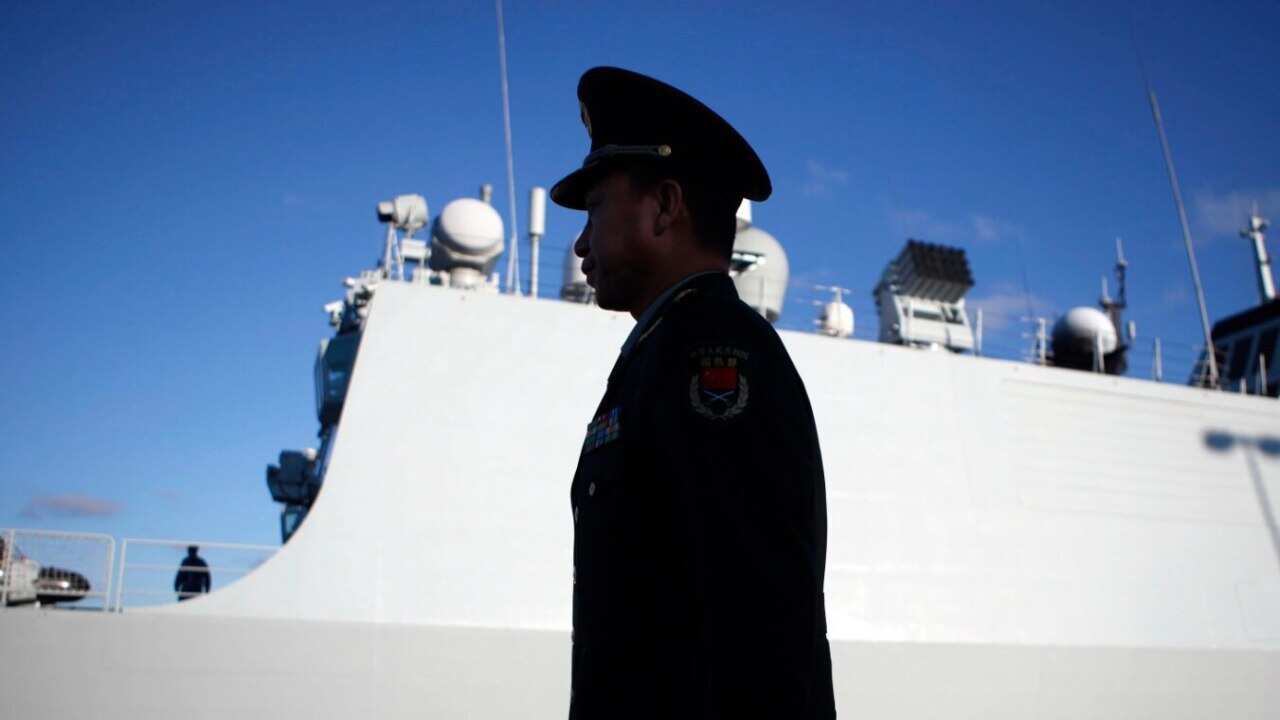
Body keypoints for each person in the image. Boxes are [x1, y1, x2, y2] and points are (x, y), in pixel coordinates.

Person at [552, 67, 835, 719]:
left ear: (665, 207)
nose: (581, 240)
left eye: (596, 207)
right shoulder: (662, 352)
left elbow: (749, 637)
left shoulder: (710, 356)